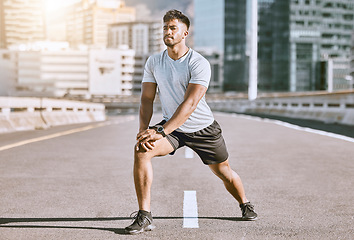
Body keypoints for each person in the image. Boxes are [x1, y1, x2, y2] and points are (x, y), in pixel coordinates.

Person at [125, 9, 257, 235]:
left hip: (203, 129)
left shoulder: (199, 63)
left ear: (185, 32)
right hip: (173, 130)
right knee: (142, 150)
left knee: (223, 172)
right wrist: (144, 131)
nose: (168, 31)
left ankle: (244, 203)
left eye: (173, 28)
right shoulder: (154, 62)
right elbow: (147, 99)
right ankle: (144, 215)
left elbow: (190, 104)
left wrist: (161, 131)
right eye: (165, 27)